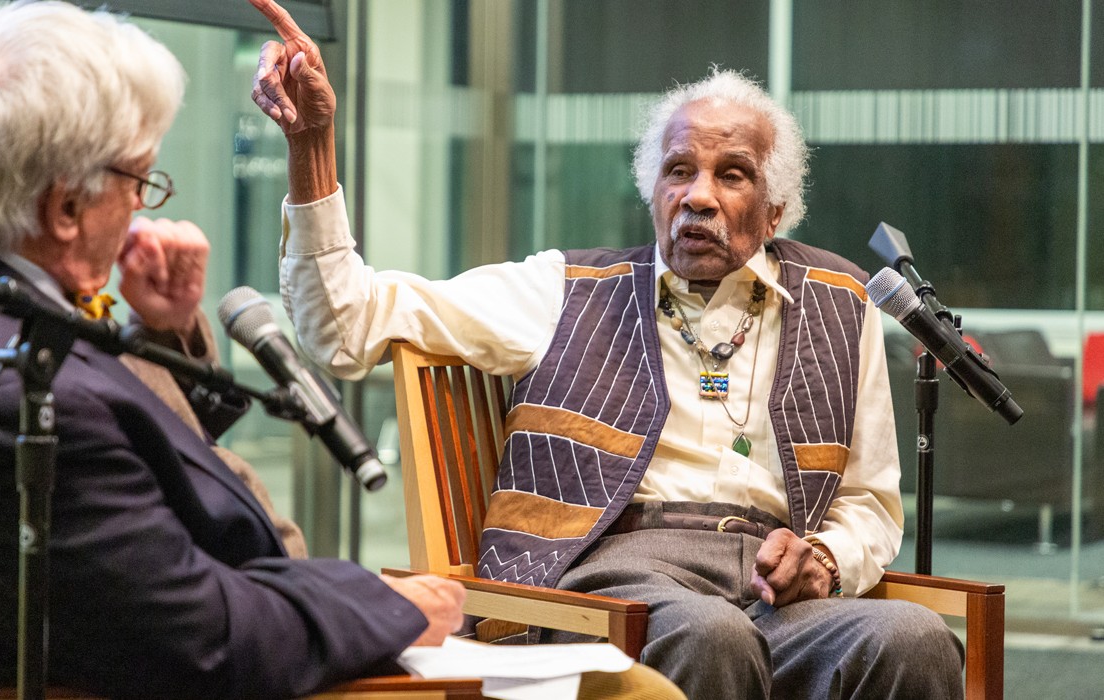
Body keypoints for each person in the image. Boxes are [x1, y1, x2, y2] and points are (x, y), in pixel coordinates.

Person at [250, 0, 967, 697]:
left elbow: (870, 502)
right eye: (679, 170)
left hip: (776, 597)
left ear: (776, 210)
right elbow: (343, 326)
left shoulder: (841, 302)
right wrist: (312, 147)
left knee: (913, 638)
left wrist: (823, 559)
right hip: (611, 588)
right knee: (709, 636)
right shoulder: (564, 289)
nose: (698, 196)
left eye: (732, 174)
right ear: (651, 190)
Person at [0, 3, 467, 698]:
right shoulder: (15, 394)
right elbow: (204, 640)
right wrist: (390, 604)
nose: (144, 208)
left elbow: (140, 464)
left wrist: (165, 331)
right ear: (64, 210)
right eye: (140, 180)